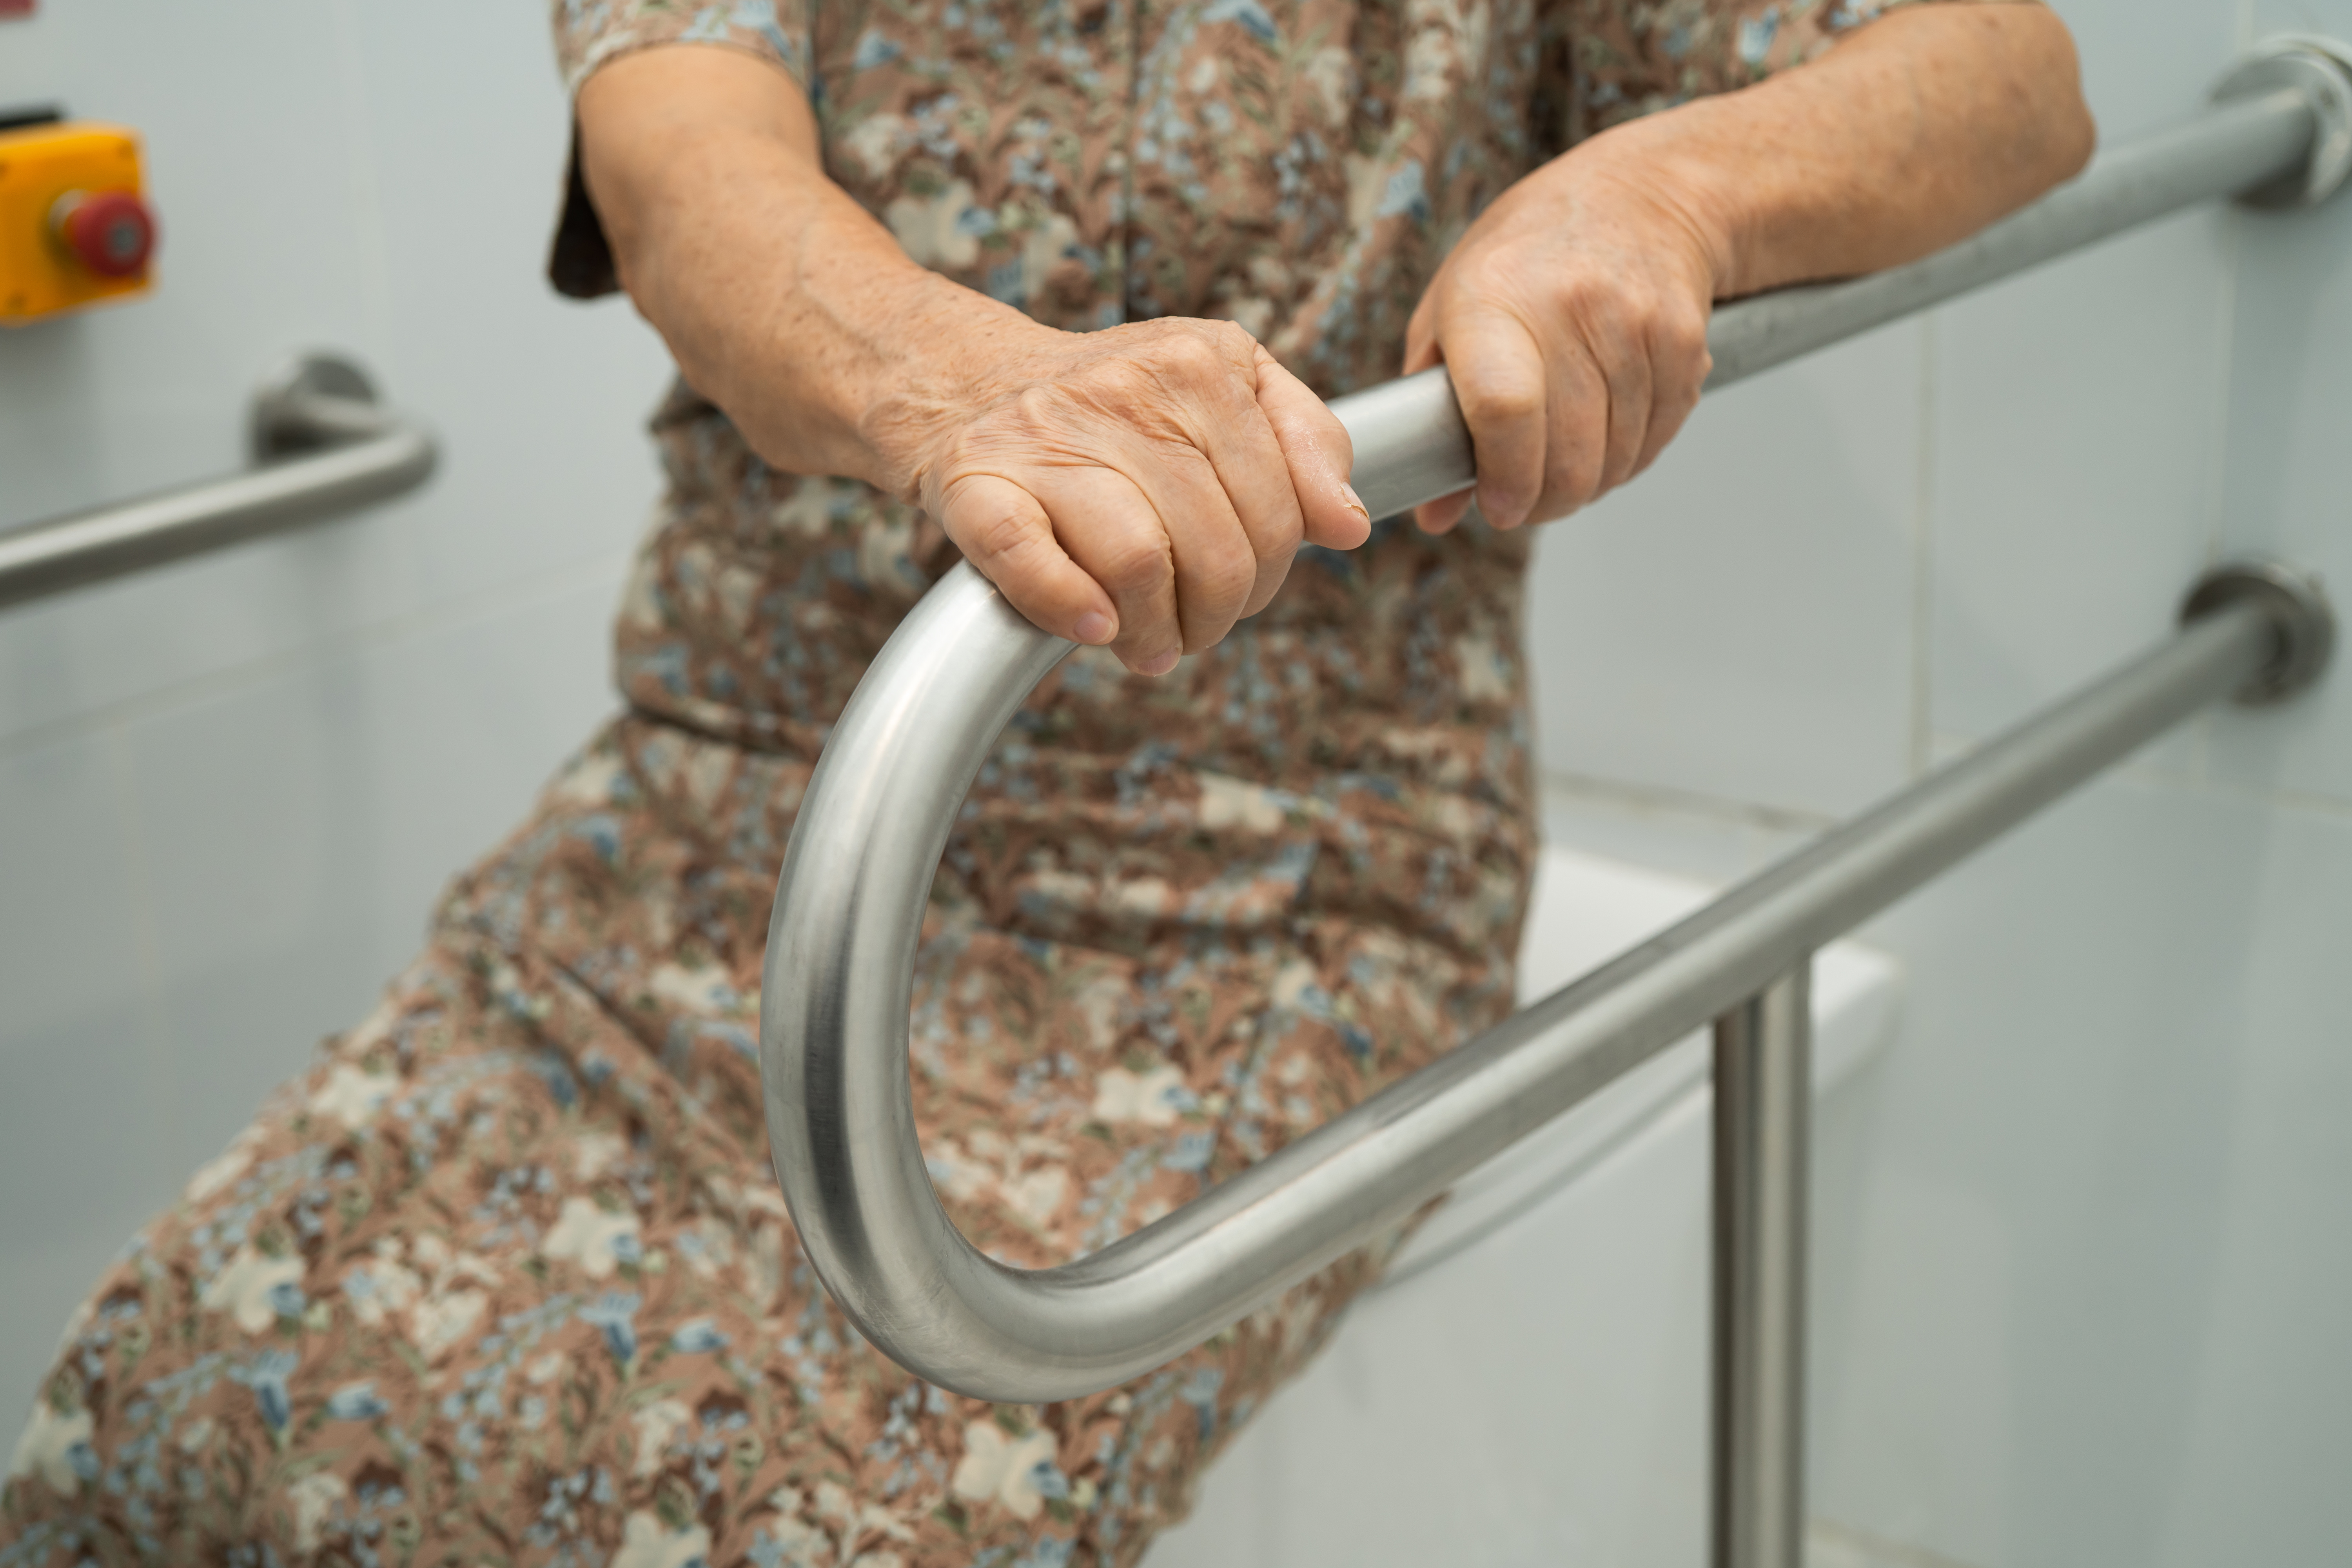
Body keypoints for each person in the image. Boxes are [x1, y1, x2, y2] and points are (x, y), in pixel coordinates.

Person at [1, 2, 2091, 1563]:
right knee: (153, 1418)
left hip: (1263, 880)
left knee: (831, 1524)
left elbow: (2013, 74)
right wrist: (966, 392)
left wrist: (1659, 193)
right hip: (740, 827)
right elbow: (683, 173)